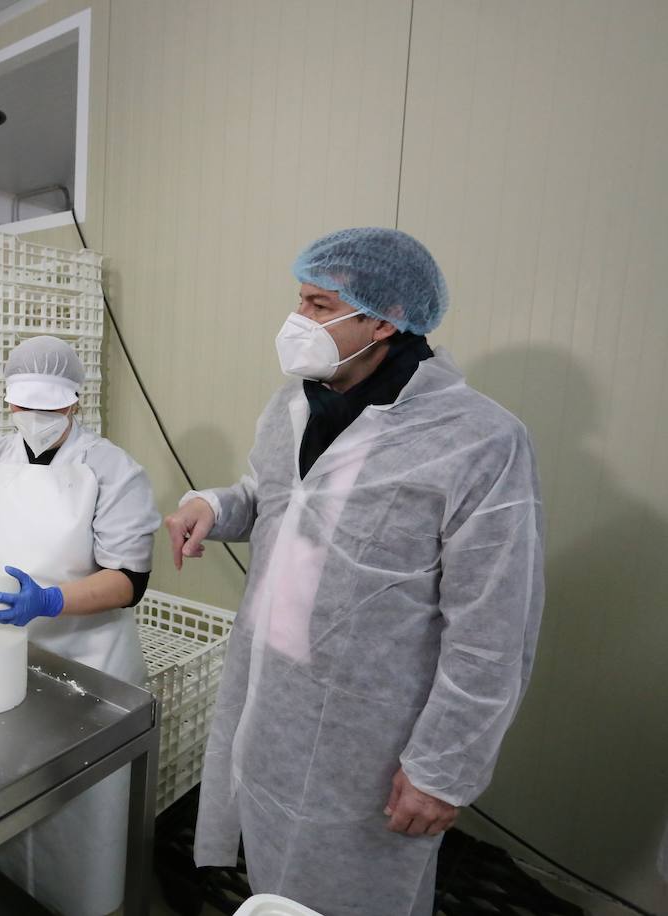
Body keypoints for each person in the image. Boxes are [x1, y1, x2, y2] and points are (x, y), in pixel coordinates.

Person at [164, 228, 544, 915]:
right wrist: (212, 507)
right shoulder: (293, 406)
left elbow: (493, 628)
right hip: (271, 697)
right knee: (271, 880)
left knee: (355, 897)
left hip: (369, 741)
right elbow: (274, 497)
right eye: (301, 302)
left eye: (317, 305)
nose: (297, 322)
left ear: (385, 319)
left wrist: (442, 770)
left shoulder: (478, 440)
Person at [0, 335, 160, 916]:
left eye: (50, 406)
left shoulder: (112, 469)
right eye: (27, 405)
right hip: (1, 655)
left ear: (75, 402)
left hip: (89, 665)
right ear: (10, 402)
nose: (37, 418)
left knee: (81, 811)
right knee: (6, 792)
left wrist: (49, 600)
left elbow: (129, 580)